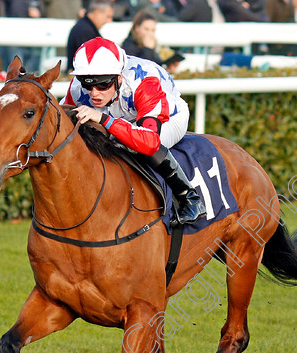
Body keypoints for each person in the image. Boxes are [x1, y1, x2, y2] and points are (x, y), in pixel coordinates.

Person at [62, 37, 207, 224]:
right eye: (88, 84)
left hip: (169, 117)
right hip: (124, 118)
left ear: (119, 78)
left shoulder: (145, 81)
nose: (94, 92)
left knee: (135, 146)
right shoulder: (76, 87)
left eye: (103, 84)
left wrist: (105, 120)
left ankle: (190, 198)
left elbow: (149, 142)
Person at [66, 0, 114, 72]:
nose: (109, 20)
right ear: (97, 12)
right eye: (108, 16)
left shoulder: (85, 27)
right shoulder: (84, 30)